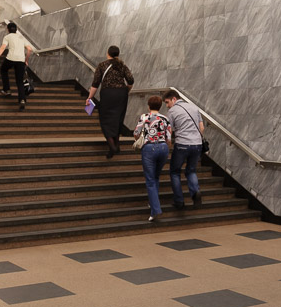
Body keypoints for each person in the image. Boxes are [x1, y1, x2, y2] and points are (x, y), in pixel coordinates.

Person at [85, 46, 135, 159]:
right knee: (118, 118)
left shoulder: (102, 65)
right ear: (118, 54)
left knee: (105, 120)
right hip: (121, 94)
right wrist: (126, 90)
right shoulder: (122, 65)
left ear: (108, 53)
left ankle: (112, 145)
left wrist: (89, 97)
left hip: (108, 94)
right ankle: (116, 146)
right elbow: (131, 80)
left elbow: (95, 84)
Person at [163, 89, 205, 209]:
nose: (167, 105)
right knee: (191, 170)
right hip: (197, 144)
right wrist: (196, 139)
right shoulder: (194, 108)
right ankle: (195, 192)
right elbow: (201, 128)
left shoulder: (172, 111)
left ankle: (179, 201)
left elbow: (169, 131)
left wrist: (168, 144)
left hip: (182, 144)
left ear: (174, 99)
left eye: (167, 102)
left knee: (175, 172)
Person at [134, 95, 172, 223]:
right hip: (163, 148)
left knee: (150, 180)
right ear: (160, 106)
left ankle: (155, 210)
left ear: (149, 106)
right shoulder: (165, 118)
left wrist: (140, 139)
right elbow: (169, 138)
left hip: (149, 148)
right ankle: (152, 202)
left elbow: (136, 133)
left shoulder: (144, 117)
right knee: (155, 177)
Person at [0, 22, 34, 110]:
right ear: (16, 30)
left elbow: (3, 47)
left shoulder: (7, 37)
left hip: (11, 59)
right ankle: (22, 99)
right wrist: (26, 60)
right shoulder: (21, 37)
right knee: (19, 81)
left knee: (4, 70)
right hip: (20, 60)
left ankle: (7, 90)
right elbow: (29, 49)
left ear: (8, 29)